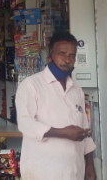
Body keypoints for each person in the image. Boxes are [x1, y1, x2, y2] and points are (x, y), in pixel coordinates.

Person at [16, 31, 96, 180]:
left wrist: (90, 164)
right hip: (44, 173)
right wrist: (62, 133)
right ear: (49, 56)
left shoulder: (76, 89)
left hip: (74, 172)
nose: (67, 60)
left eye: (72, 55)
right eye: (62, 53)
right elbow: (25, 123)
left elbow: (84, 129)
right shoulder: (31, 85)